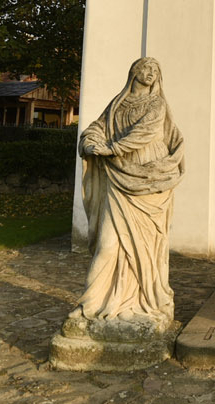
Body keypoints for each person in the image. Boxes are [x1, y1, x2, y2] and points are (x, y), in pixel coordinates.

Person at [70, 57, 184, 325]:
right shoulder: (117, 104)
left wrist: (112, 148)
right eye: (146, 68)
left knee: (147, 247)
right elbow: (98, 127)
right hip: (118, 177)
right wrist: (91, 141)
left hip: (149, 176)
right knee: (108, 245)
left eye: (155, 70)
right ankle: (91, 305)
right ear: (134, 71)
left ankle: (142, 302)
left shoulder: (157, 104)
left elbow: (145, 132)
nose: (151, 73)